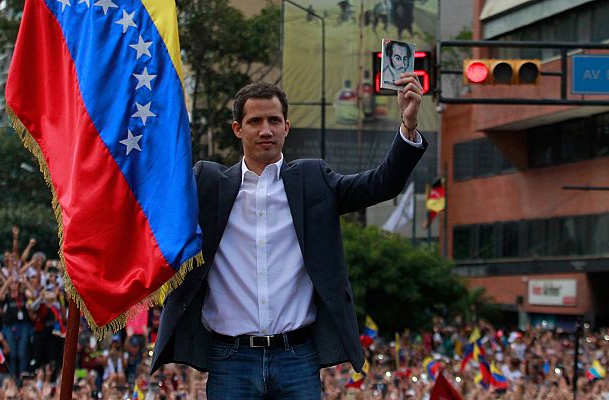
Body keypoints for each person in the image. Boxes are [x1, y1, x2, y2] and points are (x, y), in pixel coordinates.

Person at [151, 76, 425, 398]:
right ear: (237, 129)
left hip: (297, 356)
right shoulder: (207, 185)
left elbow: (381, 184)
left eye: (274, 121)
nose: (265, 130)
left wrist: (407, 127)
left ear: (286, 127)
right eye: (255, 121)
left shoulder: (313, 181)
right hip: (229, 359)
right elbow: (151, 201)